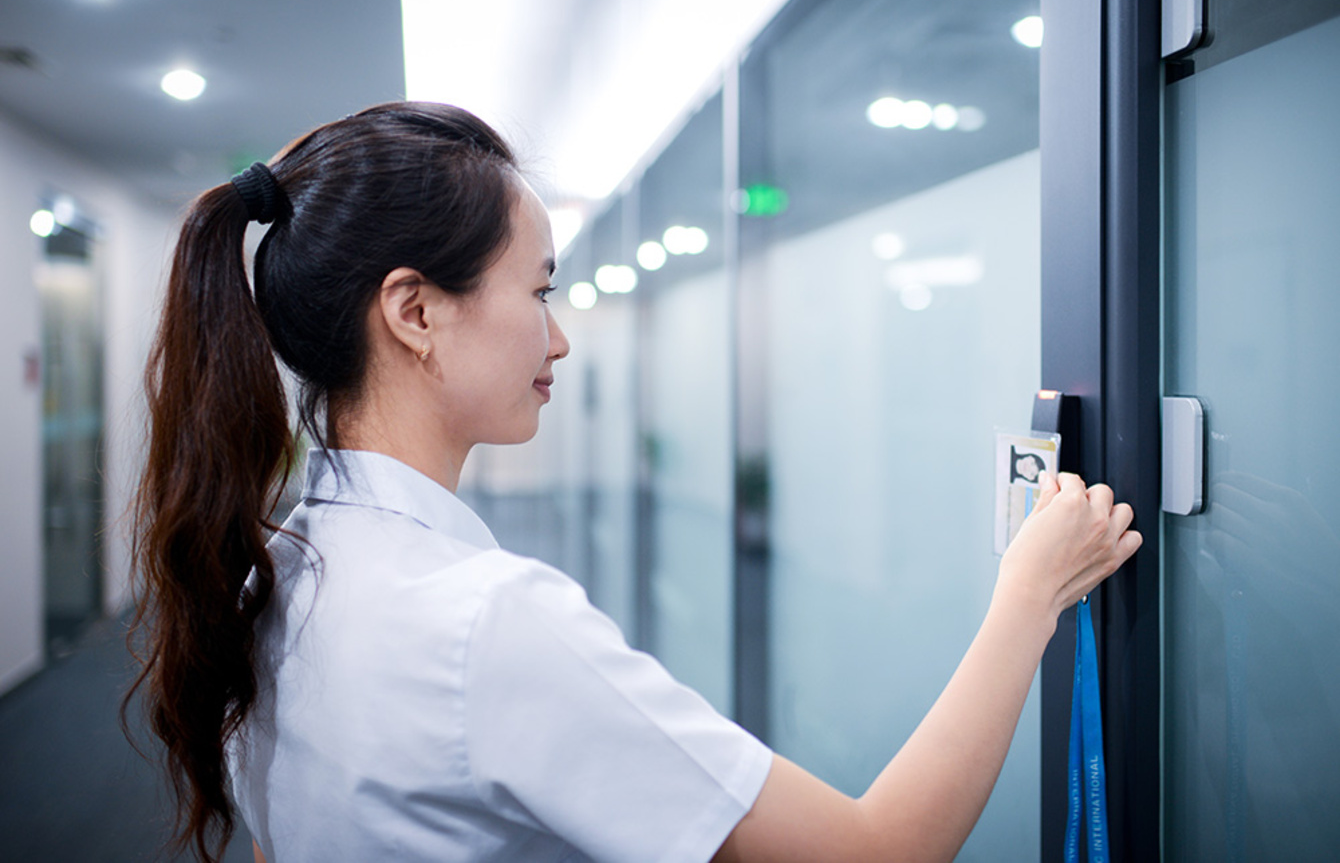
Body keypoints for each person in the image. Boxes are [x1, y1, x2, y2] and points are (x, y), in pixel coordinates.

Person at [127, 101, 1142, 863]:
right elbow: (874, 850)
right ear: (415, 313)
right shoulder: (484, 625)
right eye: (537, 291)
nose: (559, 338)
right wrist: (1028, 593)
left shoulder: (283, 572)